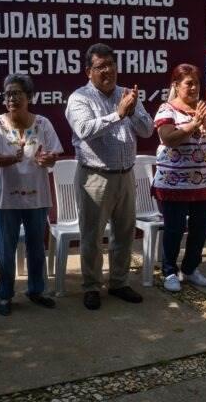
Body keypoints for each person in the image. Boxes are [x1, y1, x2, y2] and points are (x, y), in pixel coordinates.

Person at [65, 43, 153, 310]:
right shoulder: (80, 98)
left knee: (124, 234)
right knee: (92, 236)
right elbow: (84, 130)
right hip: (95, 177)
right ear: (88, 71)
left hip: (126, 175)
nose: (108, 71)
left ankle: (119, 282)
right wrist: (118, 114)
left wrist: (134, 111)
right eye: (101, 66)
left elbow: (147, 130)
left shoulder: (127, 94)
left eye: (111, 65)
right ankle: (92, 286)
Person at [0, 74, 63, 316]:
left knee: (36, 247)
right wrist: (13, 159)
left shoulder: (43, 124)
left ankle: (36, 290)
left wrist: (48, 159)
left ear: (29, 97)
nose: (12, 98)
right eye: (8, 94)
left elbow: (53, 157)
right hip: (5, 197)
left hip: (36, 197)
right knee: (5, 249)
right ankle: (5, 295)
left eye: (17, 93)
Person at [152, 63, 206, 292]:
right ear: (176, 85)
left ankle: (191, 268)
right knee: (174, 228)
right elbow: (168, 138)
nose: (194, 87)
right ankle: (169, 272)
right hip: (174, 182)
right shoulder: (167, 109)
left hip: (204, 181)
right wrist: (193, 125)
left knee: (201, 228)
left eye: (197, 83)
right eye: (189, 83)